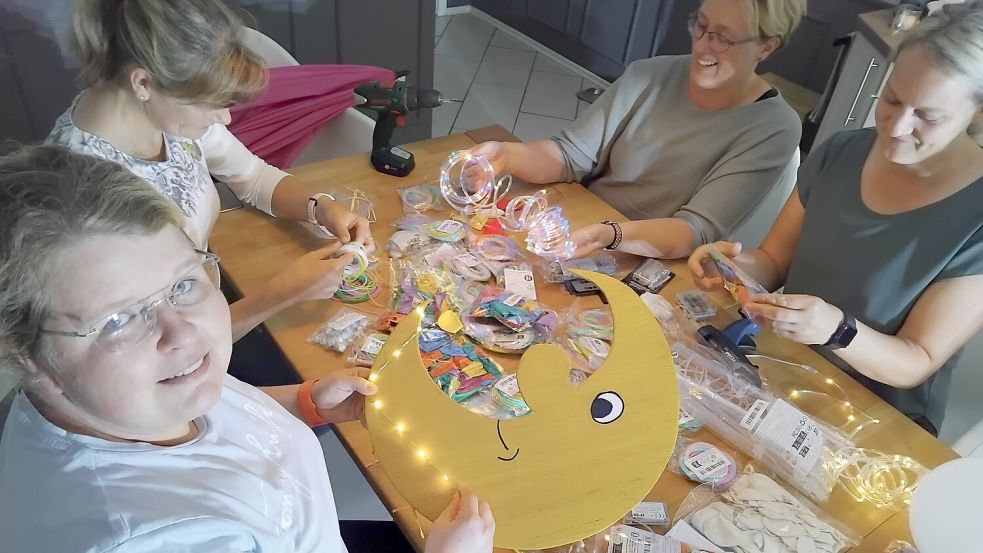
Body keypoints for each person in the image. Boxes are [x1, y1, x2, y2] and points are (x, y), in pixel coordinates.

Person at [0, 144, 494, 553]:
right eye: (116, 320)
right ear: (25, 352)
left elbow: (212, 422)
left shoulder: (130, 398)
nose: (187, 334)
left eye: (183, 284)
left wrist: (303, 403)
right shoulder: (152, 539)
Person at [687, 1, 983, 436]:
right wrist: (732, 267)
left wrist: (836, 330)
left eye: (927, 116)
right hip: (785, 371)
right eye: (892, 99)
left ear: (976, 112)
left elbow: (915, 360)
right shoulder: (841, 152)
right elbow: (772, 261)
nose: (896, 128)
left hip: (877, 421)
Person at [48, 0, 373, 341]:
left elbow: (254, 177)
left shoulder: (162, 112)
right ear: (143, 83)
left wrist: (320, 207)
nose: (226, 118)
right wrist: (285, 293)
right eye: (212, 104)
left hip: (217, 303)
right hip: (184, 351)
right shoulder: (84, 198)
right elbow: (163, 346)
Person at [469, 0, 806, 259]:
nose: (702, 46)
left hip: (647, 258)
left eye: (723, 39)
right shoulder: (650, 74)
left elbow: (694, 231)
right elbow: (570, 154)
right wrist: (507, 155)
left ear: (767, 46)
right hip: (584, 225)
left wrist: (609, 234)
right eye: (700, 27)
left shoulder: (773, 127)